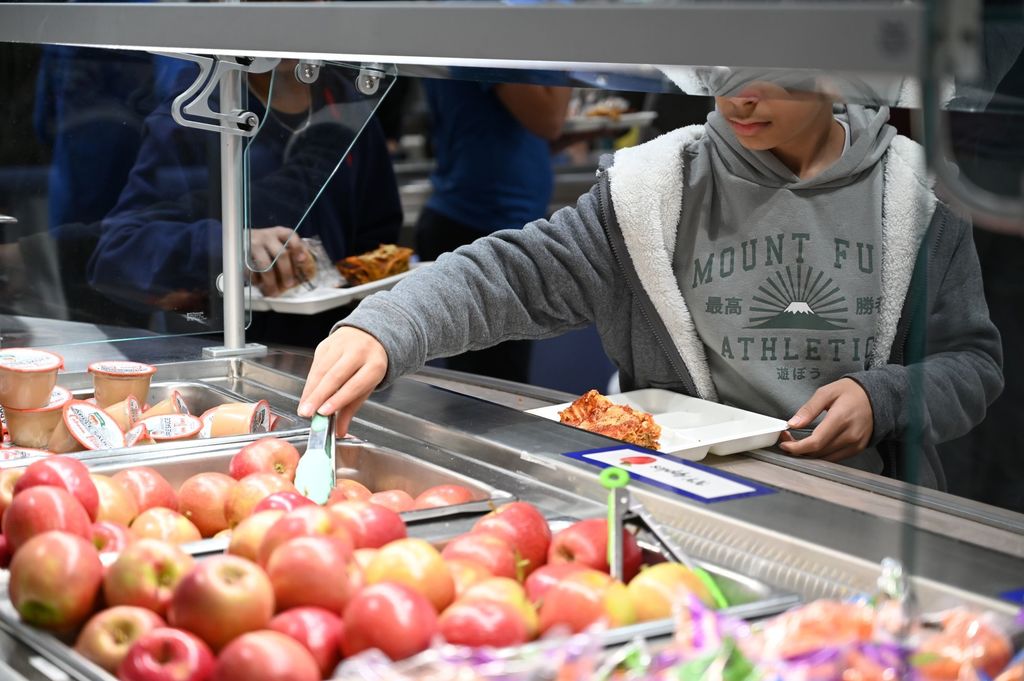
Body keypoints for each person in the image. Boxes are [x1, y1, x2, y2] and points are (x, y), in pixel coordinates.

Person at [297, 74, 1003, 490]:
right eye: (719, 68)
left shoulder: (918, 197)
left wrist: (883, 399)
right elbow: (512, 273)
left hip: (860, 507)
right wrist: (387, 325)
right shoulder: (656, 190)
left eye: (770, 68)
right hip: (683, 500)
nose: (739, 94)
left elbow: (972, 364)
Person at [90, 60, 403, 343]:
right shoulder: (195, 113)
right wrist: (230, 246)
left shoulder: (350, 103)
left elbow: (377, 240)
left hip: (335, 348)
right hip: (223, 350)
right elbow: (118, 253)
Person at [415, 74, 571, 382]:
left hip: (487, 221)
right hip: (482, 228)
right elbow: (549, 120)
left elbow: (516, 132)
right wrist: (565, 50)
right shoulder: (493, 36)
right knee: (490, 392)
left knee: (489, 385)